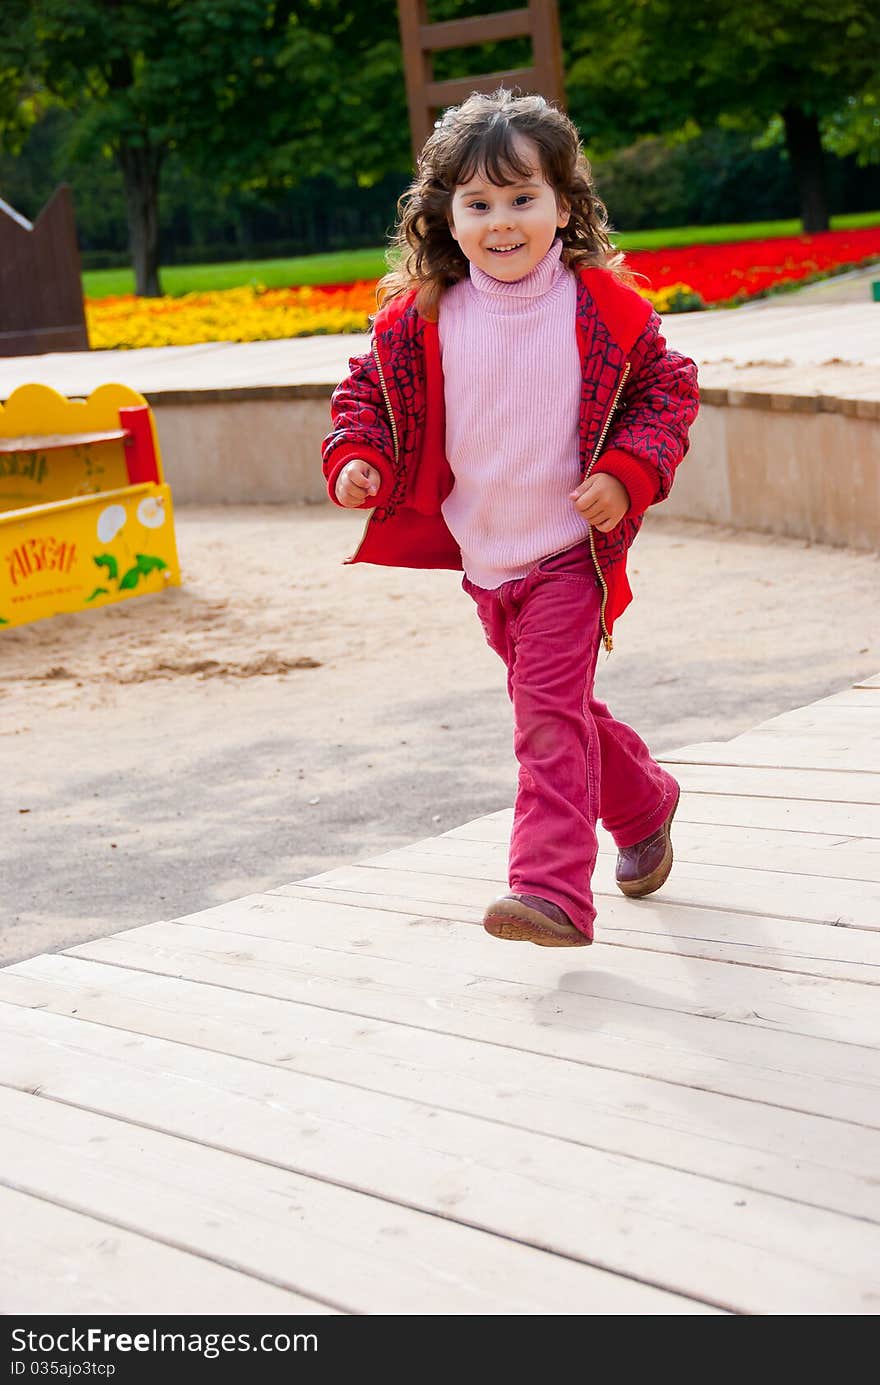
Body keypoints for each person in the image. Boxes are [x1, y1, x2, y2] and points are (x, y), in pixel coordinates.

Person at [322, 88, 699, 948]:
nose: (502, 221)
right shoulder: (418, 321)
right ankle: (645, 803)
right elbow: (365, 401)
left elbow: (667, 392)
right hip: (488, 562)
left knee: (542, 715)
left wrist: (627, 470)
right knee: (561, 710)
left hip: (571, 551)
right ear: (444, 220)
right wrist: (359, 459)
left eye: (523, 198)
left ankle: (551, 888)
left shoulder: (599, 308)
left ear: (563, 209)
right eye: (479, 203)